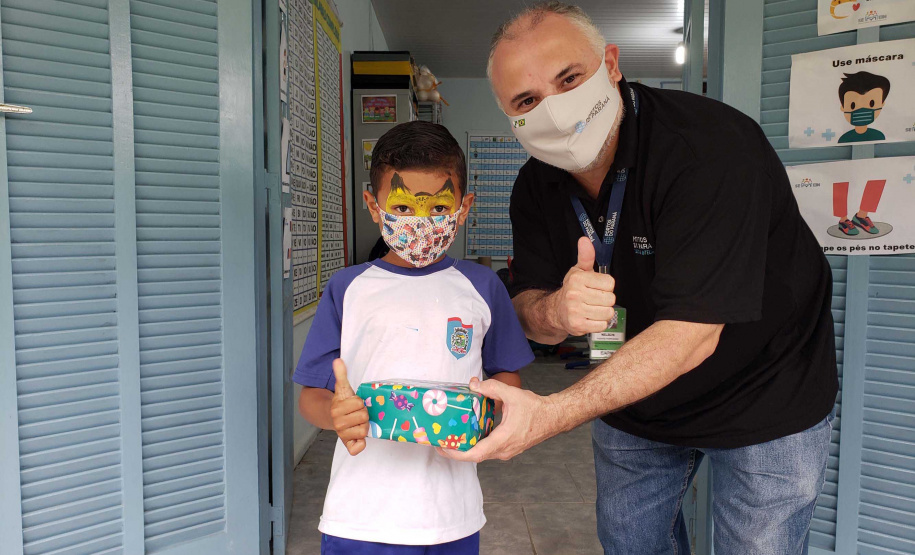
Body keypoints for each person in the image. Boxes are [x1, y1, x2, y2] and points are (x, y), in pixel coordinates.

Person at [439, 3, 839, 554]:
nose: (553, 109)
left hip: (766, 389)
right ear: (509, 114)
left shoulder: (709, 149)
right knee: (629, 544)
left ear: (611, 64)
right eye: (527, 100)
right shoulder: (535, 187)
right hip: (634, 399)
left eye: (570, 79)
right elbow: (530, 311)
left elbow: (693, 332)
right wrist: (554, 310)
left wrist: (550, 414)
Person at [293, 121, 533, 554]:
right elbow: (311, 394)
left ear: (464, 207)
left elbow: (507, 377)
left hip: (452, 515)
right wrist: (336, 415)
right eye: (403, 208)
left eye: (440, 208)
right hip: (360, 517)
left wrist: (494, 413)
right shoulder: (347, 288)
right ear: (373, 205)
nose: (422, 222)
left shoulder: (483, 287)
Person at [837, 71, 889, 144]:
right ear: (842, 107)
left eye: (872, 104)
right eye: (853, 105)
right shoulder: (844, 139)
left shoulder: (879, 136)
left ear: (882, 104)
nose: (861, 110)